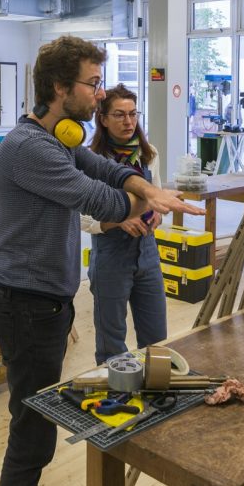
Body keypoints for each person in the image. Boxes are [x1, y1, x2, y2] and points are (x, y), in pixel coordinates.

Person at [0, 36, 204, 486]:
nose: (101, 95)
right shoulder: (30, 149)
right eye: (93, 84)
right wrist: (152, 199)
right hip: (26, 306)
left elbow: (105, 166)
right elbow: (104, 201)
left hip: (44, 303)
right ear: (61, 88)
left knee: (34, 423)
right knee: (31, 432)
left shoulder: (57, 140)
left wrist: (148, 186)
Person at [81, 84, 166, 364]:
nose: (128, 121)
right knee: (111, 342)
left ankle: (157, 391)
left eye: (133, 114)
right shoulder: (91, 160)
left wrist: (157, 213)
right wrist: (117, 221)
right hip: (111, 257)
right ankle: (115, 399)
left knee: (157, 338)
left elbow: (157, 196)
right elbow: (81, 217)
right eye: (119, 115)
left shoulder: (148, 153)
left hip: (147, 252)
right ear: (103, 119)